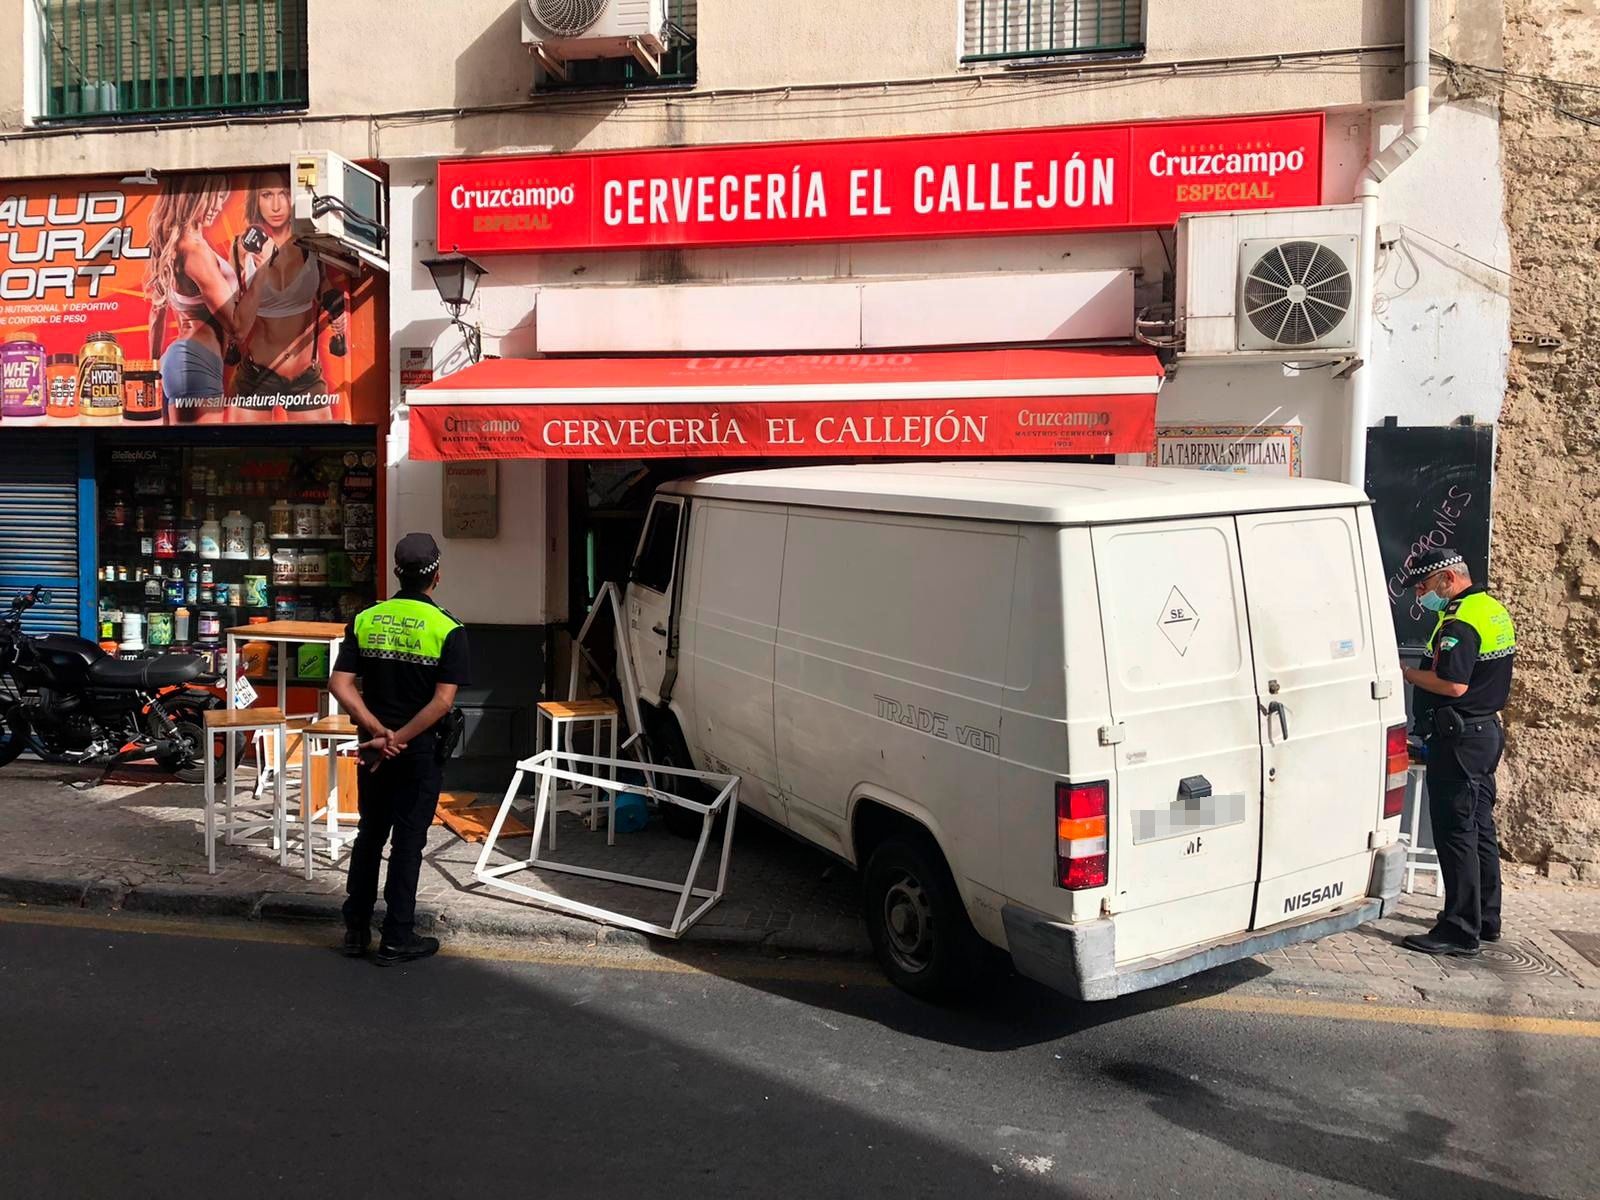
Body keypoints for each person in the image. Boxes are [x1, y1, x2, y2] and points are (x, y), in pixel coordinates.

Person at [328, 533, 469, 965]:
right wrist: (401, 739)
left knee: (369, 834)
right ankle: (396, 937)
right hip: (418, 751)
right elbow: (442, 702)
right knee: (408, 843)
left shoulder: (366, 618)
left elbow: (339, 683)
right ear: (437, 576)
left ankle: (355, 931)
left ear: (396, 573)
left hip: (373, 749)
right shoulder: (449, 629)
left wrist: (378, 733)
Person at [1399, 548, 1516, 958]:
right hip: (1484, 734)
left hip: (1461, 740)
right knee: (1480, 828)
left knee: (1456, 832)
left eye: (1425, 586)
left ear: (1448, 579)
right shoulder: (1492, 609)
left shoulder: (1460, 619)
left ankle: (1459, 930)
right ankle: (1486, 919)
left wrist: (1408, 673)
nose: (1420, 594)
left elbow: (1453, 684)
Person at [228, 169, 348, 420]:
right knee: (243, 456)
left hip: (305, 375)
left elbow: (323, 285)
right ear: (256, 201)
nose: (276, 205)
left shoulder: (311, 242)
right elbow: (236, 319)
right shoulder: (242, 247)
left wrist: (338, 310)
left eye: (283, 194)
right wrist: (260, 269)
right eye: (267, 195)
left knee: (322, 454)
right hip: (256, 375)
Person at [147, 175, 264, 424]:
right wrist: (264, 274)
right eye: (214, 197)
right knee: (199, 455)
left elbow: (156, 315)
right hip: (197, 364)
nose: (218, 206)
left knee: (179, 453)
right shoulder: (196, 251)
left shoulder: (176, 245)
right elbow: (238, 327)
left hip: (177, 361)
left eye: (223, 197)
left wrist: (154, 370)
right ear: (193, 195)